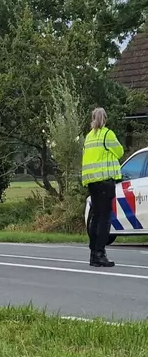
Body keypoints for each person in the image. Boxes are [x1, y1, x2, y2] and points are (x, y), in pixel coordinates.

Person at [81, 107, 123, 268]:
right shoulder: (107, 134)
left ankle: (93, 254)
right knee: (104, 219)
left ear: (92, 119)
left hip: (91, 182)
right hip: (105, 181)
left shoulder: (89, 137)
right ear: (104, 119)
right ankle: (100, 253)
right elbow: (119, 152)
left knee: (96, 218)